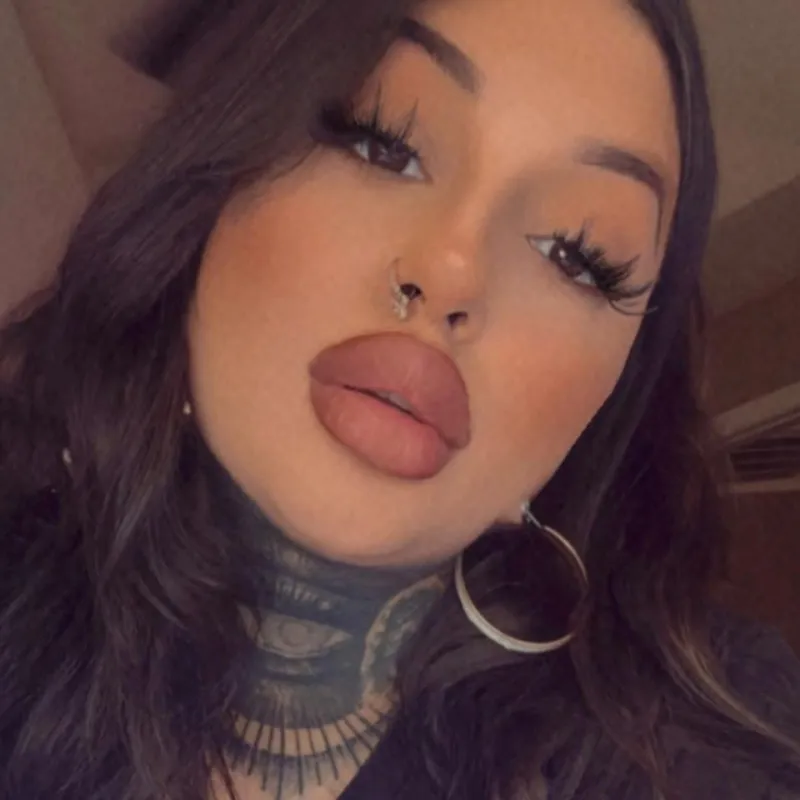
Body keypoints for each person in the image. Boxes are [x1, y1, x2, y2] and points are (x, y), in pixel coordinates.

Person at [1, 0, 799, 798]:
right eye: (380, 141)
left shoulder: (713, 755)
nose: (453, 271)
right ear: (210, 189)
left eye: (578, 255)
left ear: (606, 404)